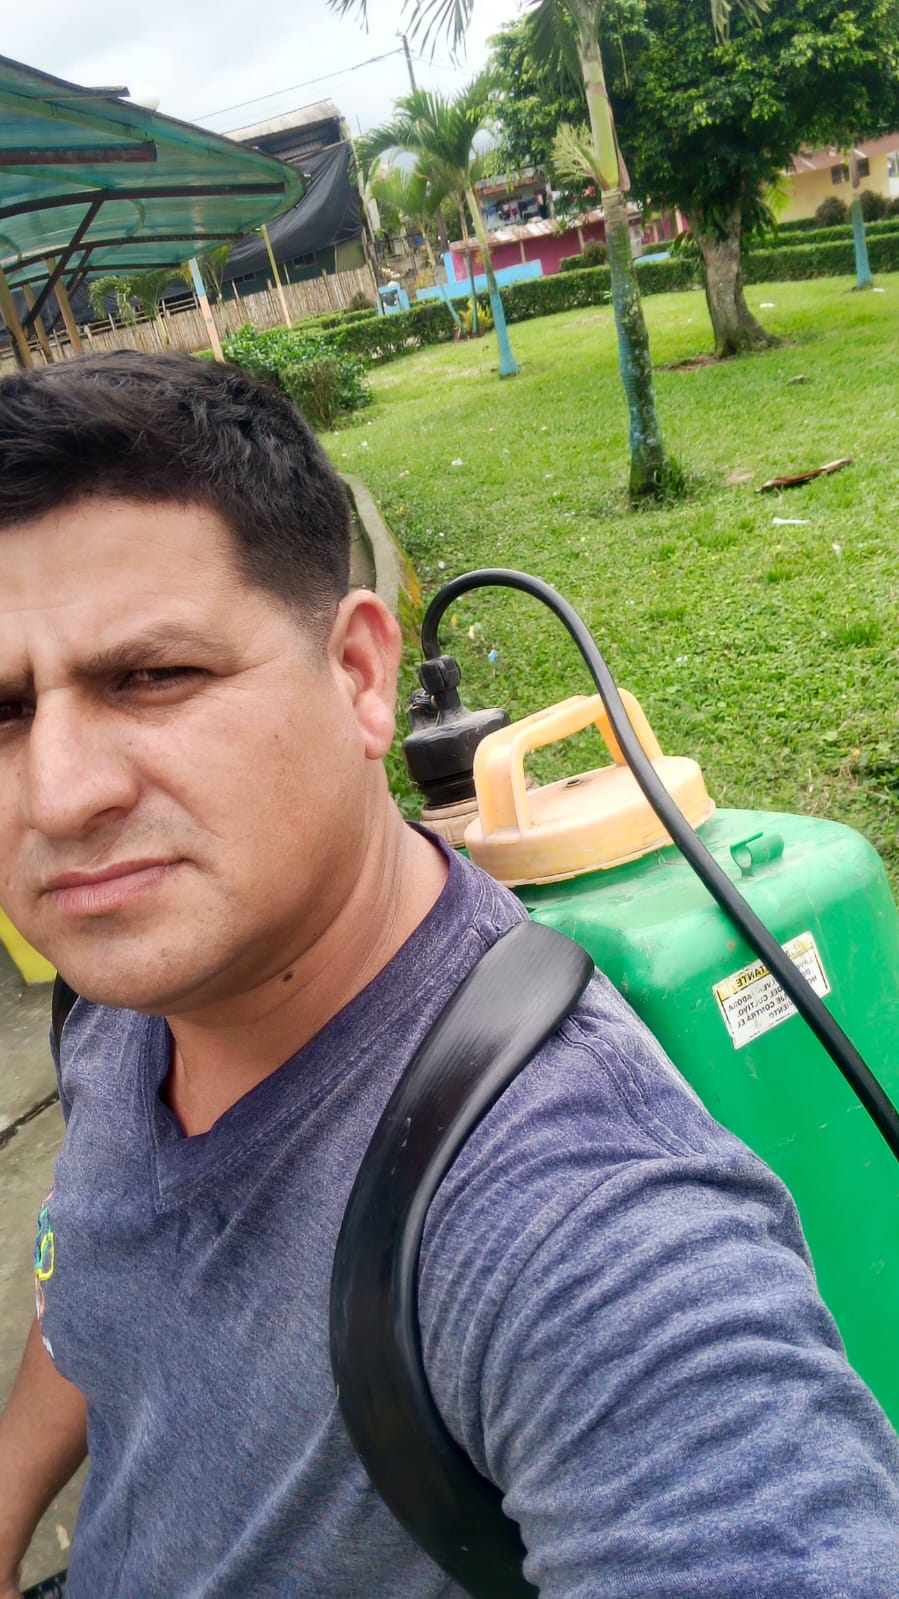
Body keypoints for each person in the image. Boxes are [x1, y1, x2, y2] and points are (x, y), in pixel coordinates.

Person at [0, 351, 896, 1599]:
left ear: (361, 677)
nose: (59, 794)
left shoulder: (572, 1221)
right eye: (3, 712)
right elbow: (94, 1265)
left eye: (152, 677)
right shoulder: (116, 997)